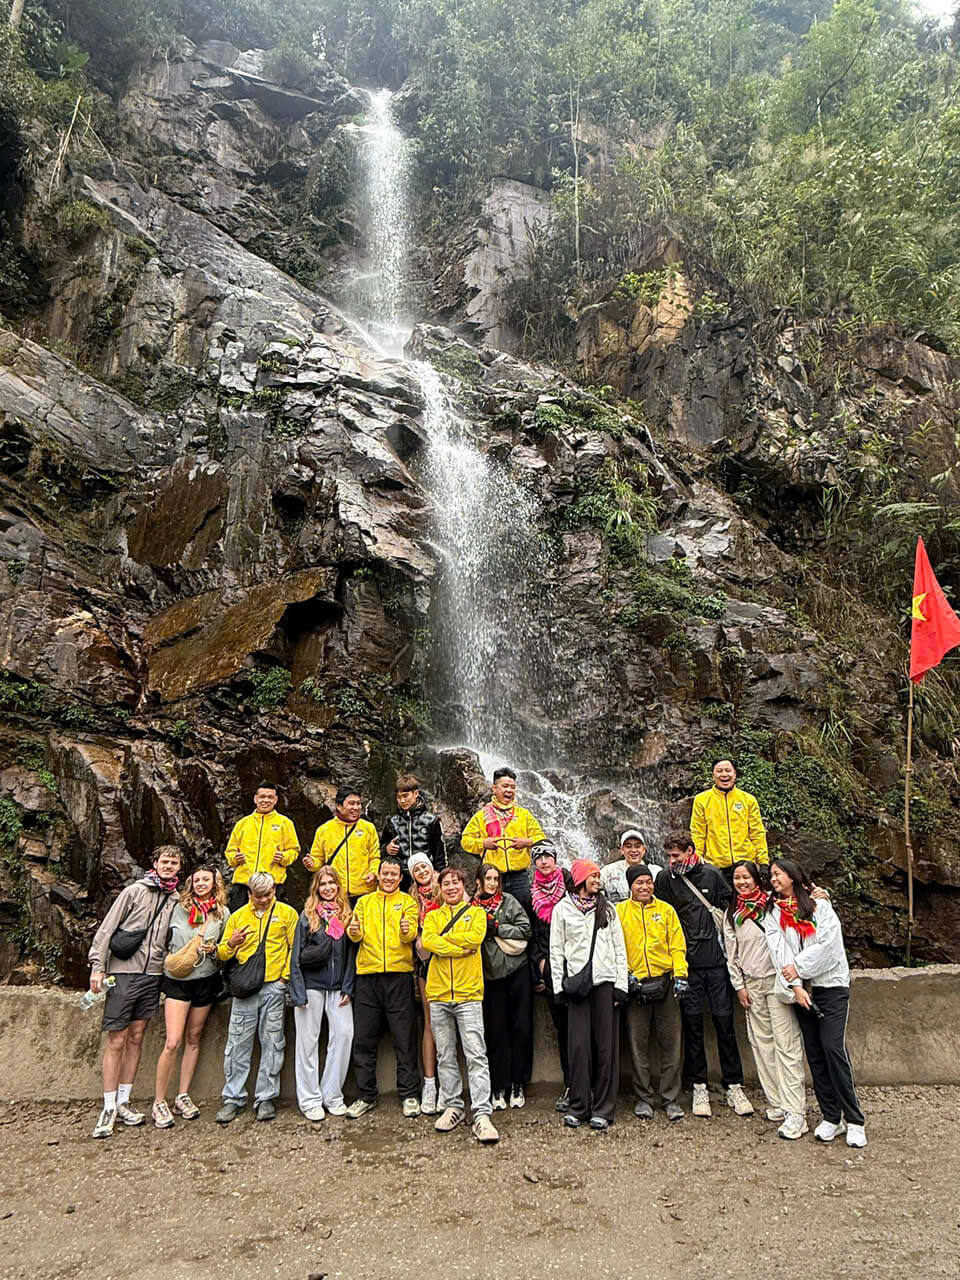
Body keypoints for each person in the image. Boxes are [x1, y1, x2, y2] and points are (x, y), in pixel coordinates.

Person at [763, 857, 866, 1148]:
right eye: (771, 875)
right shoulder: (773, 912)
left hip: (830, 986)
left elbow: (829, 947)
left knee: (833, 1048)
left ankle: (854, 1119)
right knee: (815, 1053)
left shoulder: (820, 905)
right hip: (800, 990)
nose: (773, 879)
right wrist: (795, 984)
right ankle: (831, 1116)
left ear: (793, 877)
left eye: (778, 874)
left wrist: (797, 970)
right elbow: (777, 950)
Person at [655, 831, 754, 1119]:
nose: (672, 861)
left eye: (676, 855)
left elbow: (734, 908)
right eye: (669, 856)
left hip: (717, 964)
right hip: (687, 965)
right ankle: (699, 1084)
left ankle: (734, 1084)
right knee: (693, 1026)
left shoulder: (711, 875)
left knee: (725, 1025)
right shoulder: (665, 879)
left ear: (689, 851)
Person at [87, 845, 182, 1139]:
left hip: (153, 974)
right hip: (123, 971)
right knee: (117, 1039)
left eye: (174, 862)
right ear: (154, 863)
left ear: (179, 867)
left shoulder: (176, 898)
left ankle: (125, 1101)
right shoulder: (134, 891)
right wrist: (97, 965)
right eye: (164, 861)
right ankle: (108, 1106)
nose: (169, 866)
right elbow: (107, 928)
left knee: (137, 1037)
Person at [723, 860, 807, 1140]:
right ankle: (778, 1103)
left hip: (778, 981)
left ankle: (796, 1110)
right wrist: (739, 986)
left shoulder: (773, 903)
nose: (741, 882)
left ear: (756, 879)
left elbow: (803, 904)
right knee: (762, 1045)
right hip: (751, 984)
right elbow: (731, 952)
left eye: (746, 877)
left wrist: (821, 894)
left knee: (786, 1044)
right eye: (737, 878)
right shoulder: (732, 912)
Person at [421, 866, 499, 1143]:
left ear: (464, 886)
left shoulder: (477, 913)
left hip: (468, 994)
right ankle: (453, 1105)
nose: (451, 887)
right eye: (446, 884)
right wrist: (457, 948)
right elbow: (428, 942)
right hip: (440, 994)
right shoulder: (432, 916)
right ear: (440, 889)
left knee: (476, 1054)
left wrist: (445, 943)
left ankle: (481, 1113)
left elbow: (475, 939)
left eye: (455, 883)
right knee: (445, 1055)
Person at [549, 858, 627, 1131]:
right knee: (579, 1047)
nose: (598, 879)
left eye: (598, 875)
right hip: (577, 986)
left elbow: (619, 948)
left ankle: (604, 1108)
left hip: (605, 983)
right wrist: (558, 987)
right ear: (580, 879)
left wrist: (621, 985)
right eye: (593, 875)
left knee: (606, 1047)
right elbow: (556, 950)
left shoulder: (608, 909)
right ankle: (579, 1105)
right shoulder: (562, 909)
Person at [215, 872, 299, 1124]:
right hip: (244, 990)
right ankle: (233, 1097)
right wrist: (231, 942)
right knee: (238, 1044)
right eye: (259, 896)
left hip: (274, 987)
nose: (264, 900)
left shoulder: (287, 914)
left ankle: (265, 1097)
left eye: (269, 894)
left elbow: (294, 948)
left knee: (273, 1043)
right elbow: (221, 954)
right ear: (249, 894)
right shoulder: (238, 916)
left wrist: (284, 979)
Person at [152, 865, 229, 1128]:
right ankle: (159, 1101)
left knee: (194, 1038)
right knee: (173, 1042)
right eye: (197, 880)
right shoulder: (178, 907)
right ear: (191, 883)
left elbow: (226, 949)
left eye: (206, 879)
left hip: (205, 981)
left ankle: (182, 1095)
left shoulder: (222, 914)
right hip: (177, 982)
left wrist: (215, 949)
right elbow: (161, 939)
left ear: (215, 883)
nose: (201, 884)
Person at [345, 856, 421, 1117]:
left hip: (399, 976)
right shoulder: (364, 902)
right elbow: (356, 935)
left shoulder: (408, 902)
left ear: (401, 878)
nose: (389, 878)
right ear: (378, 875)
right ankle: (366, 1095)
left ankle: (409, 1094)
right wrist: (353, 930)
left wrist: (406, 930)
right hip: (367, 976)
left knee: (404, 1038)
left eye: (394, 874)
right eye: (385, 873)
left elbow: (411, 936)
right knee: (364, 1039)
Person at [616, 863, 687, 1122]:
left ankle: (670, 1098)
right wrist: (625, 974)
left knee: (671, 1044)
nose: (645, 887)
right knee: (638, 1045)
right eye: (639, 883)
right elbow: (615, 947)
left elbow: (677, 945)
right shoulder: (619, 912)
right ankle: (643, 1098)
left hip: (666, 983)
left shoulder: (666, 911)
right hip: (636, 987)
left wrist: (680, 975)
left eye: (648, 882)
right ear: (630, 886)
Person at [288, 865, 356, 1122]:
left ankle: (332, 1093)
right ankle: (309, 1099)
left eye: (332, 883)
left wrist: (349, 986)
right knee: (307, 1042)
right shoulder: (307, 915)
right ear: (316, 888)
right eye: (323, 884)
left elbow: (351, 956)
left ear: (339, 886)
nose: (328, 888)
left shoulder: (347, 915)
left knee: (344, 1033)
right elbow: (296, 955)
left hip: (338, 987)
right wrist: (298, 991)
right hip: (311, 986)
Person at [474, 862, 533, 1110]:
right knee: (496, 1031)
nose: (492, 883)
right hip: (490, 976)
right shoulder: (472, 908)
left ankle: (519, 1083)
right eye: (488, 878)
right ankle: (499, 1086)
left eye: (496, 879)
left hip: (517, 972)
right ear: (479, 881)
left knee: (521, 1027)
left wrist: (498, 927)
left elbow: (526, 929)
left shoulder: (508, 901)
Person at [461, 767, 545, 913]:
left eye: (512, 787)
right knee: (493, 915)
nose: (509, 790)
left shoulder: (524, 815)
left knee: (524, 912)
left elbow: (541, 839)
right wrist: (483, 843)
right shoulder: (482, 816)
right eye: (505, 786)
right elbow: (465, 841)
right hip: (492, 876)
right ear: (494, 788)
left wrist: (526, 842)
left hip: (519, 876)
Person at [529, 841, 572, 1111]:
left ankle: (589, 1083)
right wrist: (540, 963)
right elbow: (530, 932)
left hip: (577, 965)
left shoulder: (571, 885)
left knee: (582, 1026)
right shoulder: (529, 891)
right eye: (539, 857)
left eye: (548, 856)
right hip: (550, 967)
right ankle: (570, 1084)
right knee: (563, 1028)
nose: (544, 861)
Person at [224, 782, 300, 913]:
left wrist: (284, 857)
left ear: (276, 800)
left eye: (270, 797)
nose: (266, 800)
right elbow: (229, 851)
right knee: (238, 922)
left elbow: (294, 850)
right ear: (255, 799)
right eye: (262, 796)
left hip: (272, 884)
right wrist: (235, 858)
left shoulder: (285, 823)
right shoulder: (242, 824)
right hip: (243, 884)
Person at [690, 760, 768, 883]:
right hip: (716, 866)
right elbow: (698, 832)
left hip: (746, 865)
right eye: (719, 771)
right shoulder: (701, 800)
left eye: (728, 770)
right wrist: (696, 857)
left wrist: (763, 862)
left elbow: (757, 832)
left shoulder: (748, 800)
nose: (724, 774)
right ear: (713, 775)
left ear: (735, 774)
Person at [409, 852, 442, 1115]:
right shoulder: (411, 899)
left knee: (450, 1022)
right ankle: (429, 1084)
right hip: (423, 961)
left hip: (448, 960)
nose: (421, 870)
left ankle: (448, 1085)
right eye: (416, 868)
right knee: (430, 1022)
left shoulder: (449, 888)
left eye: (424, 866)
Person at [305, 786, 380, 903]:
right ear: (339, 806)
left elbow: (375, 857)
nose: (356, 808)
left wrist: (373, 872)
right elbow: (318, 861)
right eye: (351, 803)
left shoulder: (368, 828)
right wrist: (311, 864)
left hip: (365, 892)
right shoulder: (324, 830)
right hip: (336, 893)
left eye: (358, 804)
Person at [381, 774, 445, 890]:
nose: (402, 800)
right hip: (400, 881)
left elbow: (440, 854)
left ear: (416, 794)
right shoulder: (391, 822)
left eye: (405, 796)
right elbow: (379, 852)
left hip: (427, 878)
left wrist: (439, 876)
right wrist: (387, 849)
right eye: (398, 797)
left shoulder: (432, 821)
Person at [600, 829, 660, 904]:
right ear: (622, 850)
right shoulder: (608, 871)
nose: (633, 850)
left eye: (637, 846)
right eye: (628, 846)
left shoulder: (656, 872)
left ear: (643, 850)